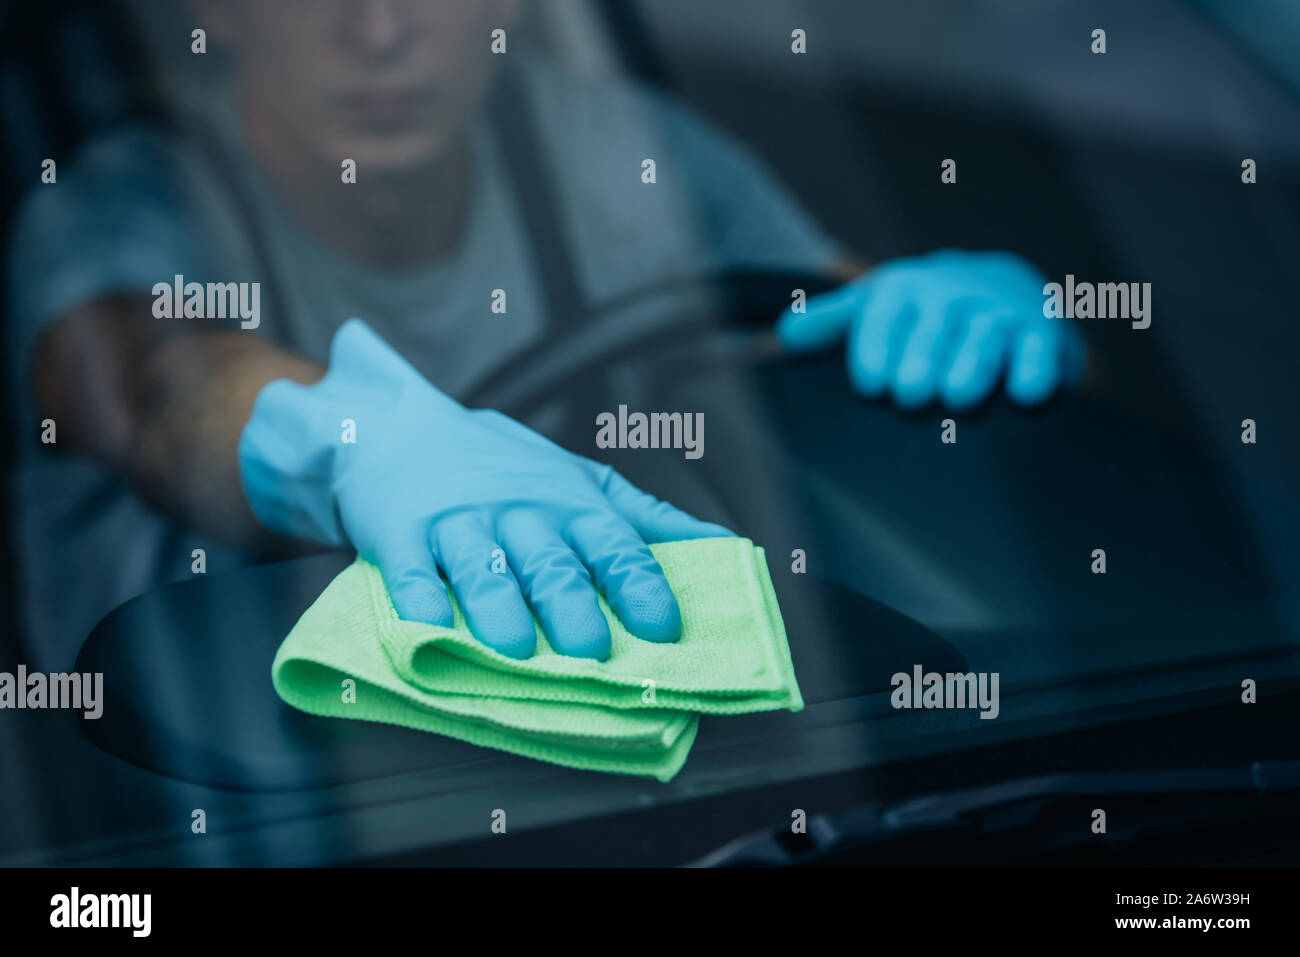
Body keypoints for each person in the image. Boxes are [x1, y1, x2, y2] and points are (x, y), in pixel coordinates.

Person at [7, 0, 1080, 667]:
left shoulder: (623, 154)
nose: (380, 30)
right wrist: (345, 448)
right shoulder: (117, 211)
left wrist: (973, 330)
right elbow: (150, 383)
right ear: (221, 7)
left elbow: (837, 307)